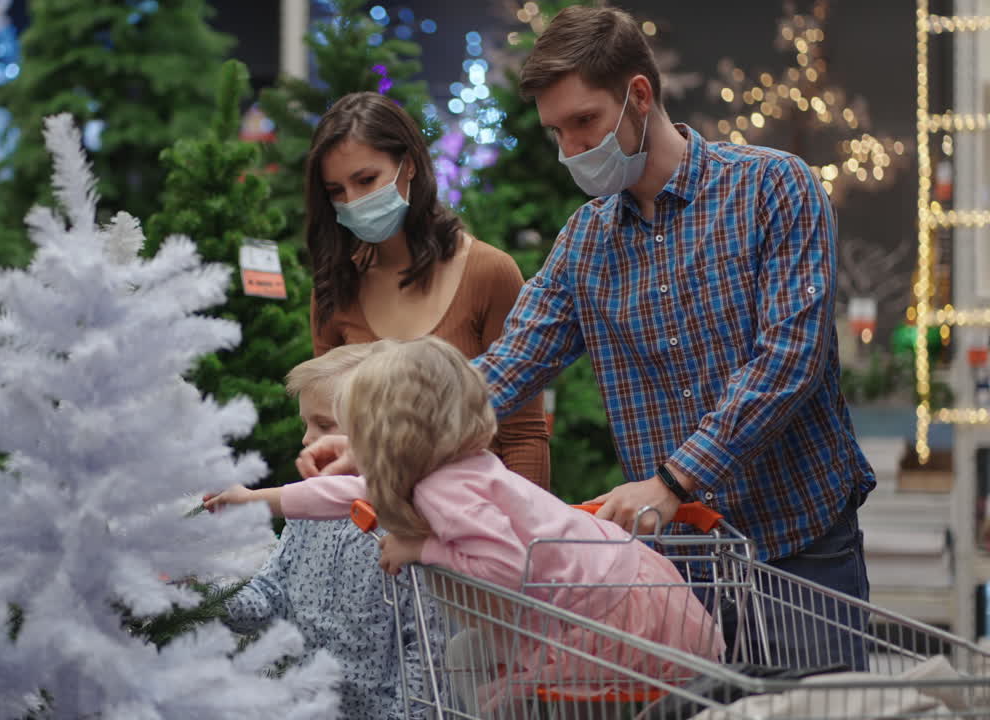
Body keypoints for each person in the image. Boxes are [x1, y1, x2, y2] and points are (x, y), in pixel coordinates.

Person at [295, 6, 874, 671]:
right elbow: (503, 370)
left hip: (803, 552)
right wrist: (373, 437)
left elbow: (788, 361)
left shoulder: (775, 188)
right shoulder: (586, 243)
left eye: (584, 123)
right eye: (556, 132)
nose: (571, 149)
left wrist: (675, 478)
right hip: (676, 569)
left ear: (639, 96)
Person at [207, 337, 723, 715]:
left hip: (615, 617)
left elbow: (503, 564)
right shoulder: (442, 465)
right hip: (602, 593)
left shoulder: (444, 489)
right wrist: (258, 500)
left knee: (510, 702)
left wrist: (420, 548)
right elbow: (345, 492)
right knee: (475, 668)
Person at [304, 91, 550, 488]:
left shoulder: (489, 272)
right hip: (369, 530)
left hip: (478, 524)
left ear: (410, 166)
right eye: (336, 191)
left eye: (366, 180)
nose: (352, 201)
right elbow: (326, 428)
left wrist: (522, 538)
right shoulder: (336, 289)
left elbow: (524, 435)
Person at [218, 344, 438, 720]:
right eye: (306, 423)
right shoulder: (306, 511)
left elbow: (427, 642)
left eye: (323, 425)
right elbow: (268, 597)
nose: (307, 438)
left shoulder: (409, 521)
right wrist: (197, 586)